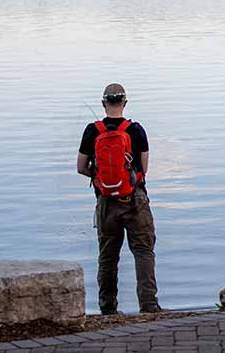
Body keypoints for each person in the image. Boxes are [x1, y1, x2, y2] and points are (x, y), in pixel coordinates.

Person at [77, 83, 160, 315]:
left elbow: (80, 167)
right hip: (135, 200)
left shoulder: (92, 131)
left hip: (105, 203)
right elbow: (143, 168)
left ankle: (107, 309)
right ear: (125, 103)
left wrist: (100, 177)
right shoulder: (136, 130)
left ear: (104, 103)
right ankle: (149, 306)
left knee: (108, 256)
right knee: (143, 251)